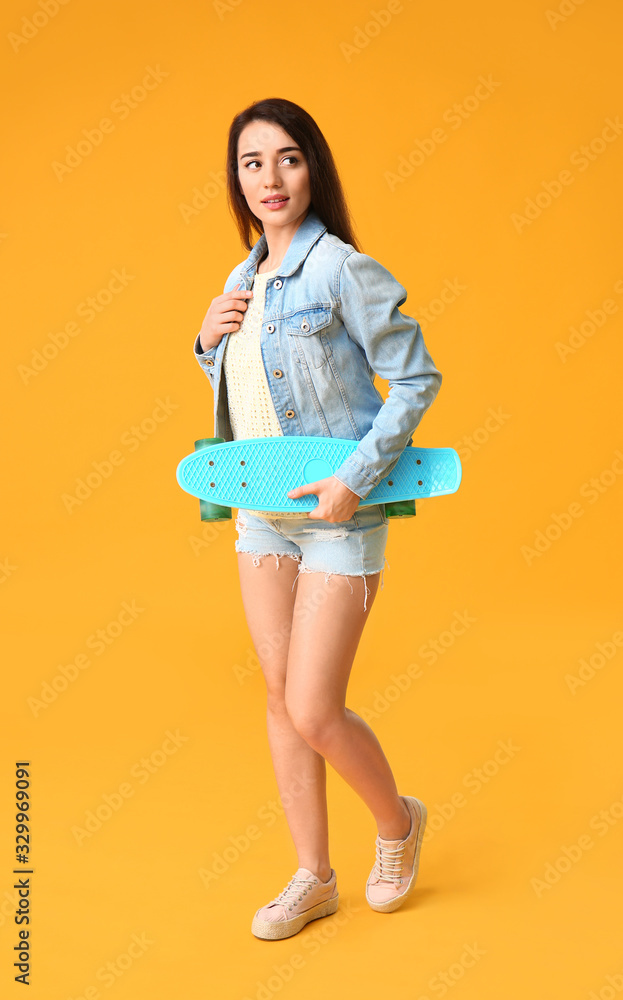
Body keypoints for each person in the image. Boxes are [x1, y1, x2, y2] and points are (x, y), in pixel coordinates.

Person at [192, 98, 443, 940]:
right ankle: (313, 876)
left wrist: (352, 479)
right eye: (252, 162)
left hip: (336, 516)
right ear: (237, 179)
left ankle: (397, 823)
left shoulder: (342, 270)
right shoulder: (238, 279)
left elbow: (414, 380)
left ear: (313, 169)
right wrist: (206, 346)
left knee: (313, 708)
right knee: (276, 698)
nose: (270, 177)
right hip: (259, 519)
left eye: (288, 158)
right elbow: (253, 401)